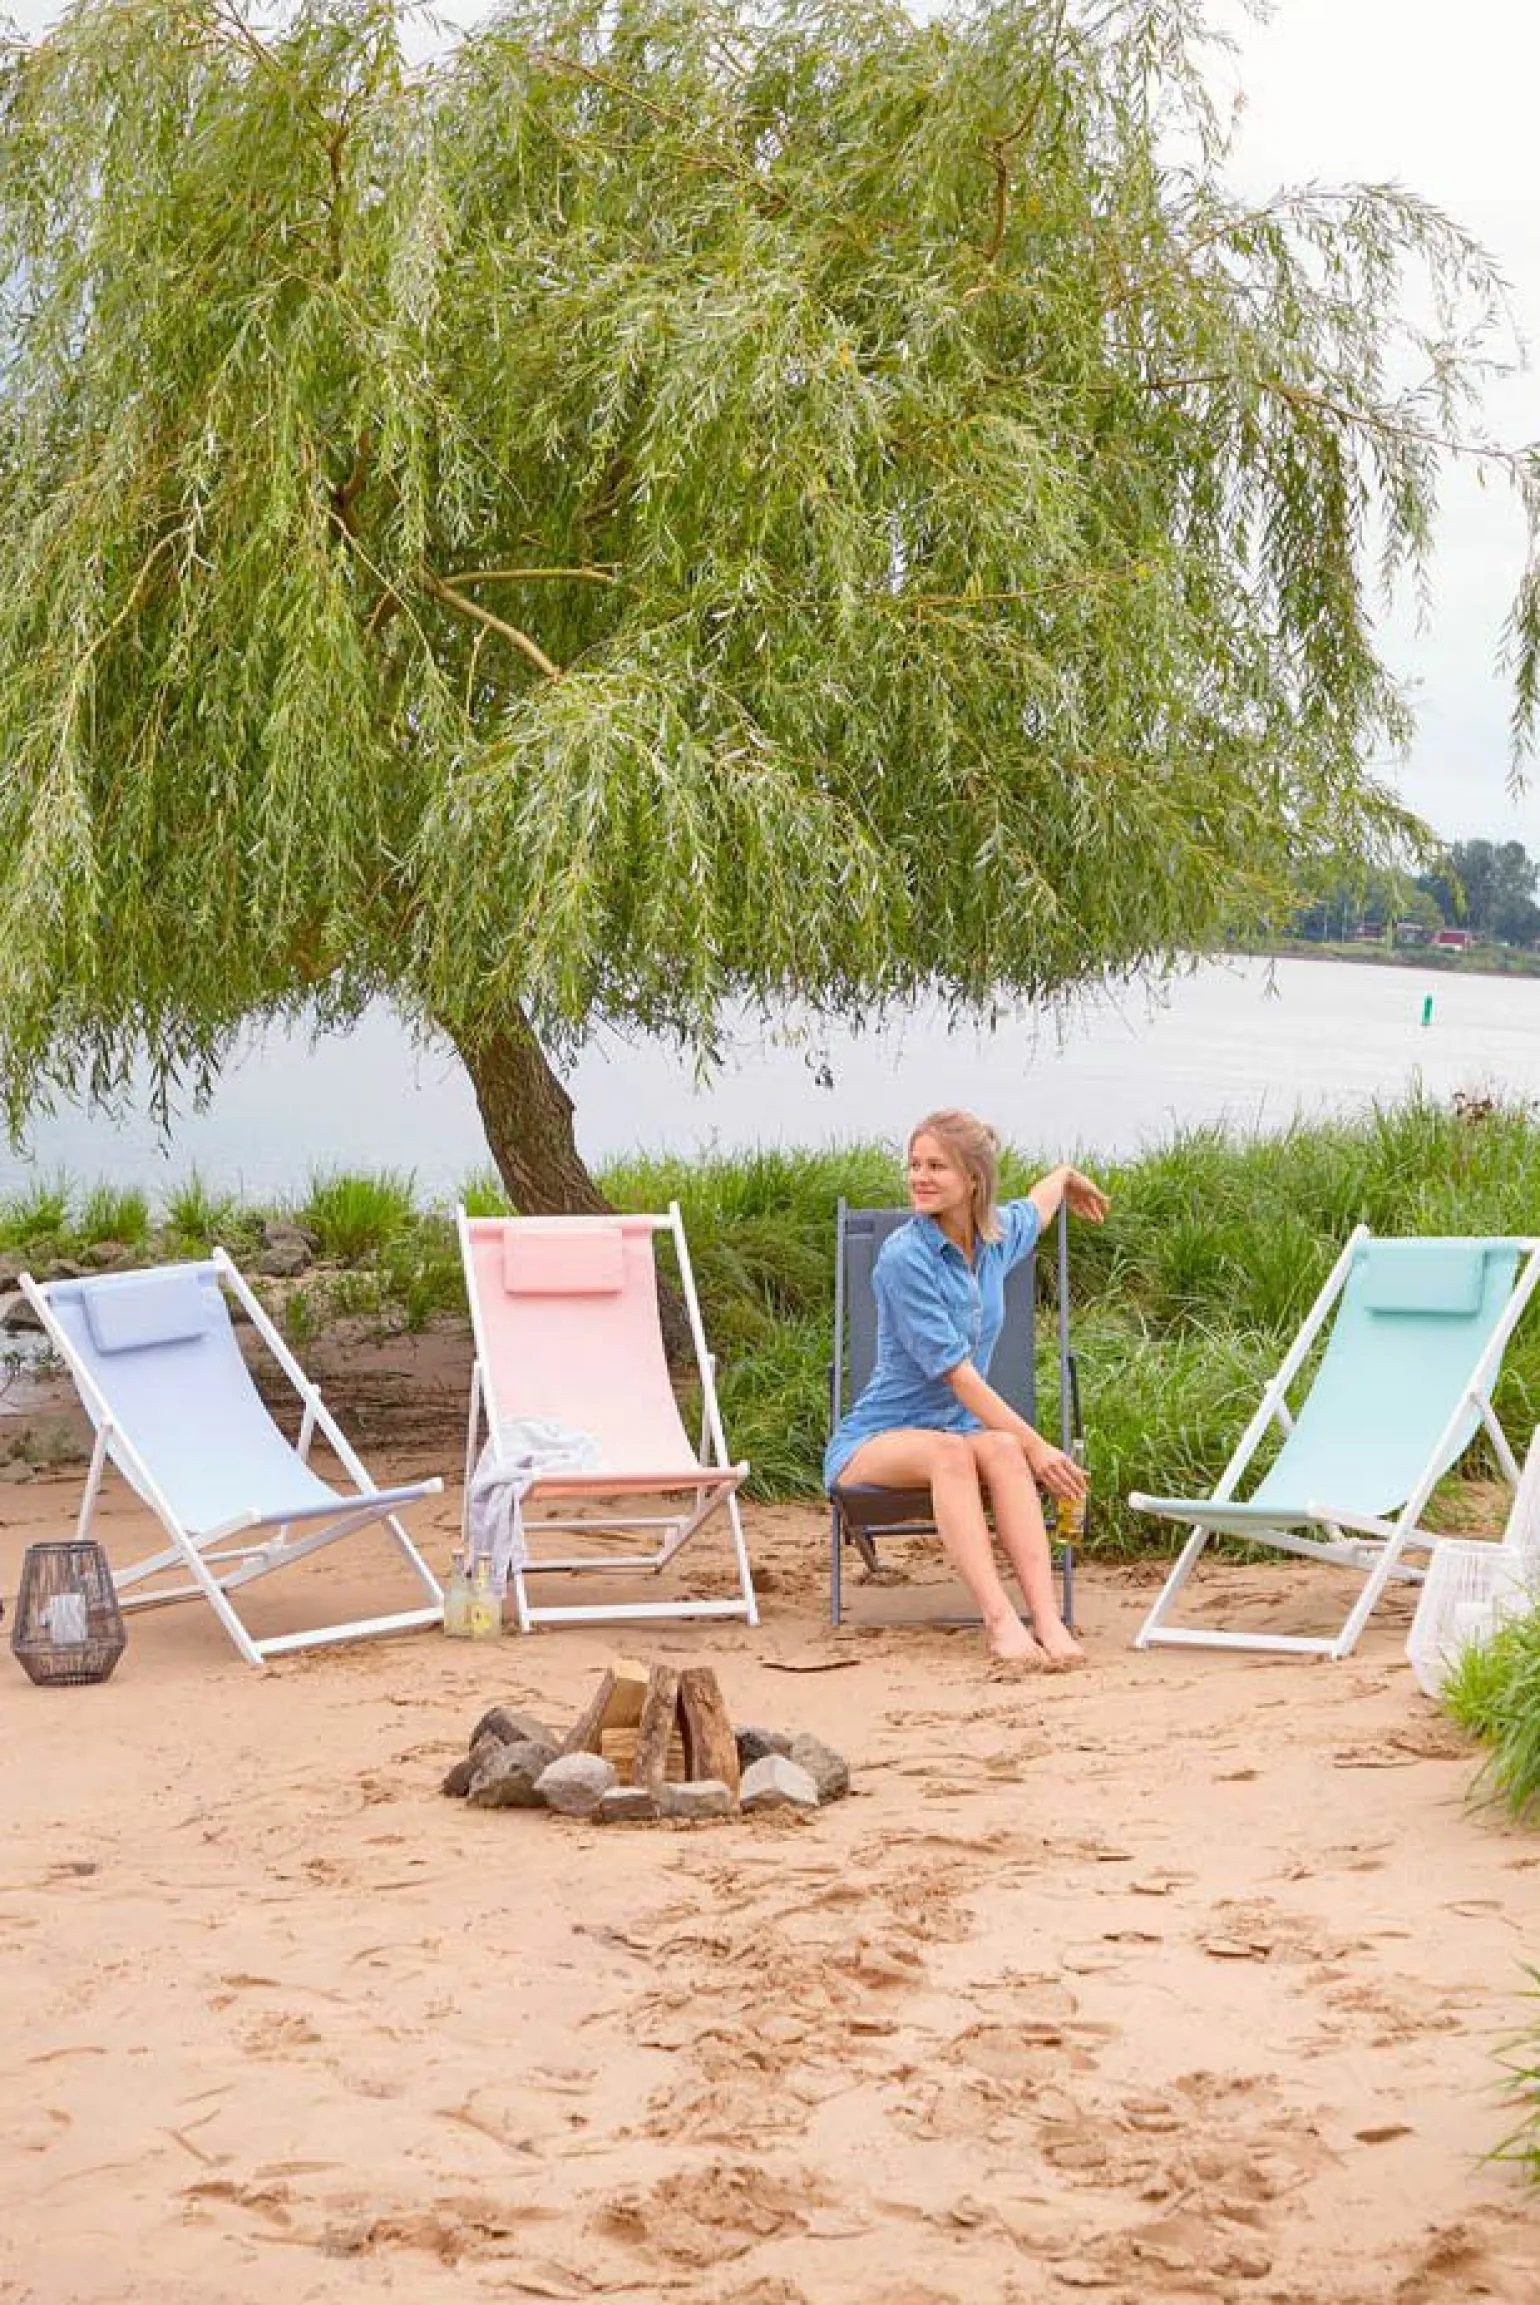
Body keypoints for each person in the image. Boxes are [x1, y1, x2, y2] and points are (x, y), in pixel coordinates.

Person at [825, 1109, 1110, 1666]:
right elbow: (960, 1377)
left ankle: (1047, 1620)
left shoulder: (996, 1239)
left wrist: (1066, 1176)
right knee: (955, 1453)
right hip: (877, 1440)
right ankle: (1000, 1622)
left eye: (936, 1166)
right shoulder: (904, 1258)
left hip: (956, 1430)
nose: (919, 1177)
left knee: (1001, 1448)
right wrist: (1041, 1447)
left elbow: (1039, 1206)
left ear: (974, 1179)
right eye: (914, 1165)